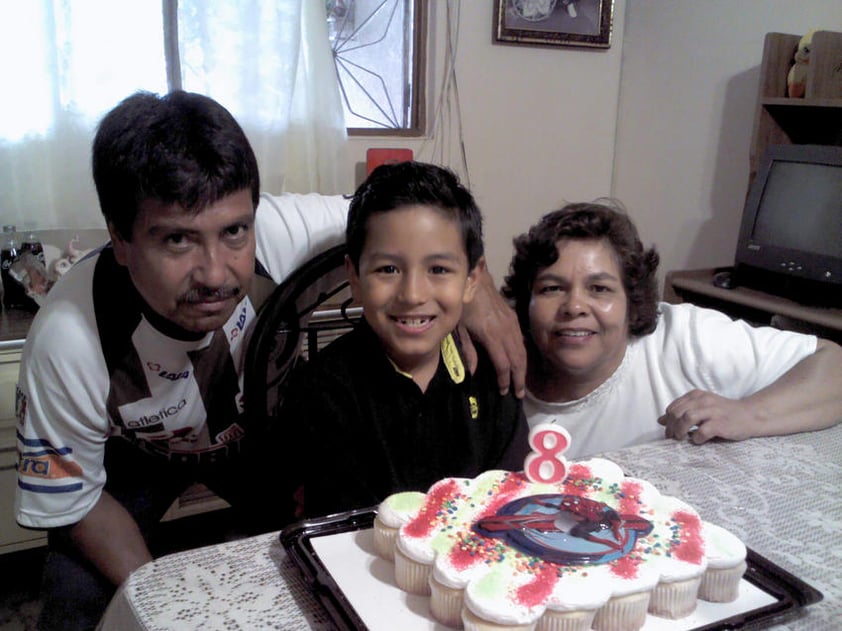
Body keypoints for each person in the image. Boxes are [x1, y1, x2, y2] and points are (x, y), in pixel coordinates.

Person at [13, 91, 525, 631]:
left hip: (260, 440)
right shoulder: (69, 337)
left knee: (306, 572)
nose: (215, 273)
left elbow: (414, 220)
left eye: (234, 231)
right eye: (177, 240)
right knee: (76, 593)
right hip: (134, 459)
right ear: (119, 238)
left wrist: (481, 292)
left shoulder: (291, 230)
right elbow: (75, 503)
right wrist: (158, 606)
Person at [502, 200, 842, 460]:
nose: (574, 306)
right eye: (551, 288)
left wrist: (749, 413)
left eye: (600, 289)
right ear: (525, 302)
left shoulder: (687, 339)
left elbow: (833, 364)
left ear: (632, 301)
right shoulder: (497, 379)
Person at [282, 161, 529, 518]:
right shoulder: (323, 389)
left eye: (439, 270)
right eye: (388, 269)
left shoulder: (492, 373)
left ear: (472, 279)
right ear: (354, 276)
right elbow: (345, 527)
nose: (413, 294)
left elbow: (510, 499)